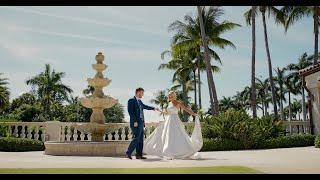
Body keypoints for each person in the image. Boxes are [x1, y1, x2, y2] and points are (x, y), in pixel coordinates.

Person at [144, 90, 203, 160]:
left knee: (178, 135)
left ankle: (179, 151)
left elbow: (186, 109)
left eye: (171, 95)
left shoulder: (178, 102)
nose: (170, 97)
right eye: (169, 96)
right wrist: (159, 111)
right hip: (168, 121)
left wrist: (194, 114)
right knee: (168, 136)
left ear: (174, 96)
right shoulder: (169, 104)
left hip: (175, 120)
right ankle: (168, 152)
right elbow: (167, 113)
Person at [125, 87, 159, 160]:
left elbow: (145, 106)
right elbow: (130, 112)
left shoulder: (140, 102)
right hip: (135, 123)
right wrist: (134, 121)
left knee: (140, 139)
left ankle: (139, 155)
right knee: (136, 138)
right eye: (142, 93)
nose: (142, 95)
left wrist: (154, 108)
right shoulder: (131, 100)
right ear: (138, 92)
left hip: (141, 123)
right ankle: (128, 153)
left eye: (143, 93)